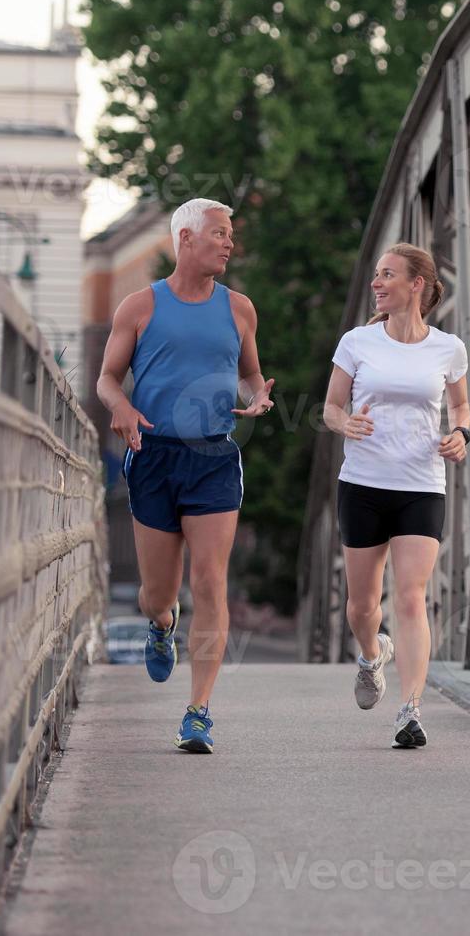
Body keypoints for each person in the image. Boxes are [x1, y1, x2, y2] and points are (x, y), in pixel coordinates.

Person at [96, 197, 274, 754]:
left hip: (213, 459)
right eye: (218, 233)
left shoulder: (239, 308)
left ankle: (198, 711)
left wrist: (258, 397)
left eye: (229, 234)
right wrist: (120, 409)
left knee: (210, 583)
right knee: (158, 592)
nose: (227, 242)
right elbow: (106, 378)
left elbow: (250, 375)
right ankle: (160, 624)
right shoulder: (139, 306)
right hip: (152, 456)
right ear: (185, 240)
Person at [324, 242, 470, 748]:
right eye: (376, 274)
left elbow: (462, 406)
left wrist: (461, 434)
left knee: (411, 597)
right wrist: (347, 422)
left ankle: (410, 710)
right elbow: (331, 409)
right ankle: (371, 656)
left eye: (388, 274)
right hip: (363, 485)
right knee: (363, 607)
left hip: (421, 486)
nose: (377, 283)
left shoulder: (448, 348)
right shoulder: (357, 342)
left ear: (417, 285)